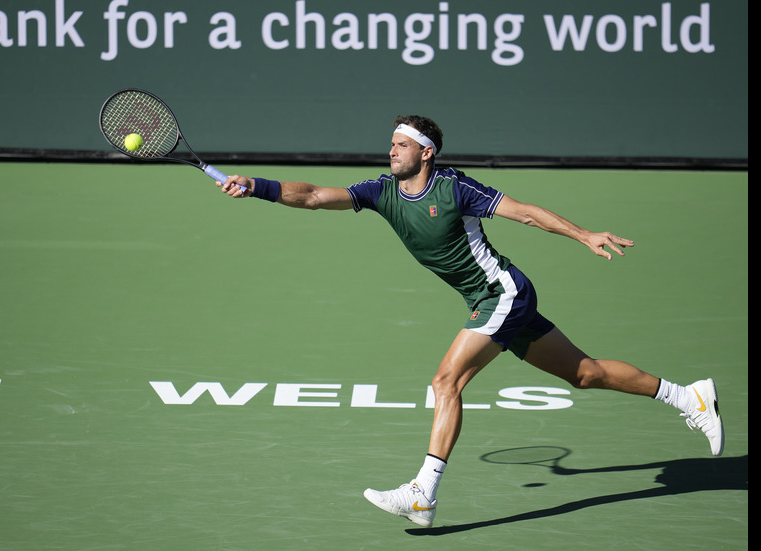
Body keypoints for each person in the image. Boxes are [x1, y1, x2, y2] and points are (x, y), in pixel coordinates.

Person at [215, 115, 724, 528]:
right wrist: (256, 185)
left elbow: (523, 212)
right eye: (390, 143)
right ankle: (688, 396)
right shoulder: (380, 192)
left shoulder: (455, 189)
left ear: (426, 152)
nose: (391, 151)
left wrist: (584, 234)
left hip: (503, 293)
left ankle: (423, 493)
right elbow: (310, 195)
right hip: (487, 300)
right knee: (585, 373)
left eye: (400, 144)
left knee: (446, 380)